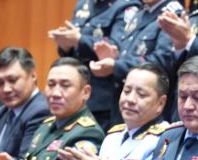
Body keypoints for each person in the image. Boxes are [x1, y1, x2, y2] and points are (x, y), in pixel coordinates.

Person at [49, 0, 141, 128]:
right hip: (75, 95)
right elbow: (74, 47)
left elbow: (117, 48)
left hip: (101, 97)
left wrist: (80, 40)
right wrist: (66, 45)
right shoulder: (83, 3)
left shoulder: (126, 6)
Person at [89, 0, 184, 124]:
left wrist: (116, 66)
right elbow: (128, 50)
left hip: (147, 105)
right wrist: (114, 56)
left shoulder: (172, 14)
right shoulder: (140, 12)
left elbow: (162, 61)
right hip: (122, 97)